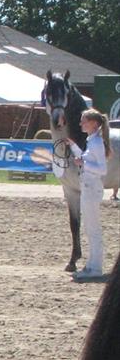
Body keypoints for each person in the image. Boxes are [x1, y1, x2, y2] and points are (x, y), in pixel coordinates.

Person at [63, 108, 112, 281]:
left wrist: (83, 162)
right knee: (90, 229)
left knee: (93, 230)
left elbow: (102, 169)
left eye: (84, 121)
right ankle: (92, 265)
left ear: (94, 123)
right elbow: (85, 159)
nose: (81, 124)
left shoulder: (97, 143)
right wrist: (74, 147)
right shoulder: (92, 141)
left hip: (92, 187)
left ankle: (95, 267)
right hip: (88, 186)